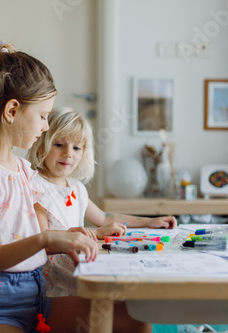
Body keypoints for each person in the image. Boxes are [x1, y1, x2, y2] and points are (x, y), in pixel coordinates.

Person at [0, 38, 149, 333]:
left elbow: (22, 234)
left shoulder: (21, 168)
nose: (46, 126)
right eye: (44, 116)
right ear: (12, 111)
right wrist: (47, 240)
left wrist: (66, 236)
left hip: (37, 293)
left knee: (135, 318)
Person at [28, 107, 177, 297]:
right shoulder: (35, 187)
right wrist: (96, 233)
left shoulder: (76, 188)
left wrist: (148, 221)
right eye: (59, 144)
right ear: (41, 145)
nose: (68, 153)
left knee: (136, 296)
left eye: (76, 147)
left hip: (82, 269)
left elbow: (104, 217)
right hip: (55, 286)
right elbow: (42, 242)